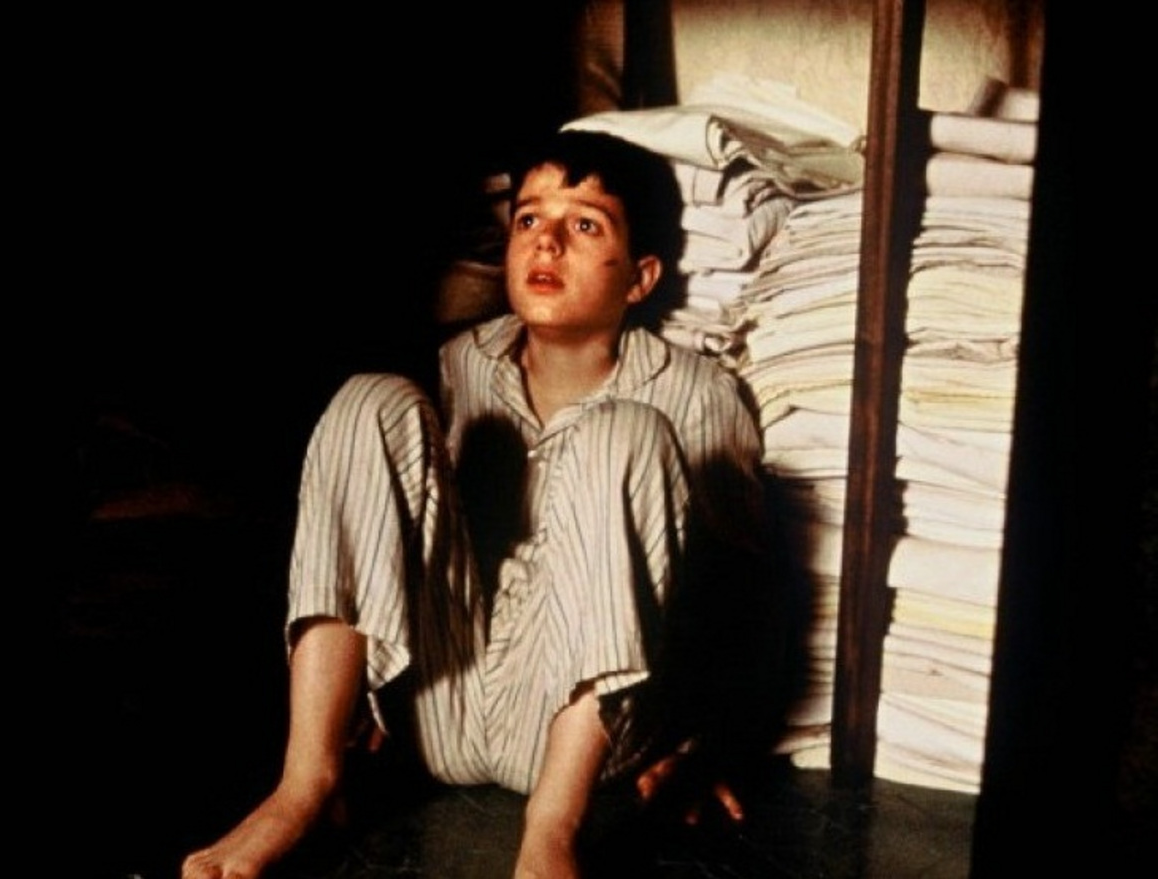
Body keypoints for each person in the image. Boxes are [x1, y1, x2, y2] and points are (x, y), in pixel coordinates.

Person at [181, 129, 772, 879]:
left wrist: (705, 746)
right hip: (441, 714)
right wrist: (366, 683)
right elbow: (401, 534)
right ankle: (305, 786)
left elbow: (741, 595)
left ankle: (550, 835)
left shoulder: (698, 393)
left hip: (589, 737)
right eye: (529, 219)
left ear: (639, 278)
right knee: (368, 398)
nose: (547, 242)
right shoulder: (461, 362)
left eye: (585, 224)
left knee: (621, 430)